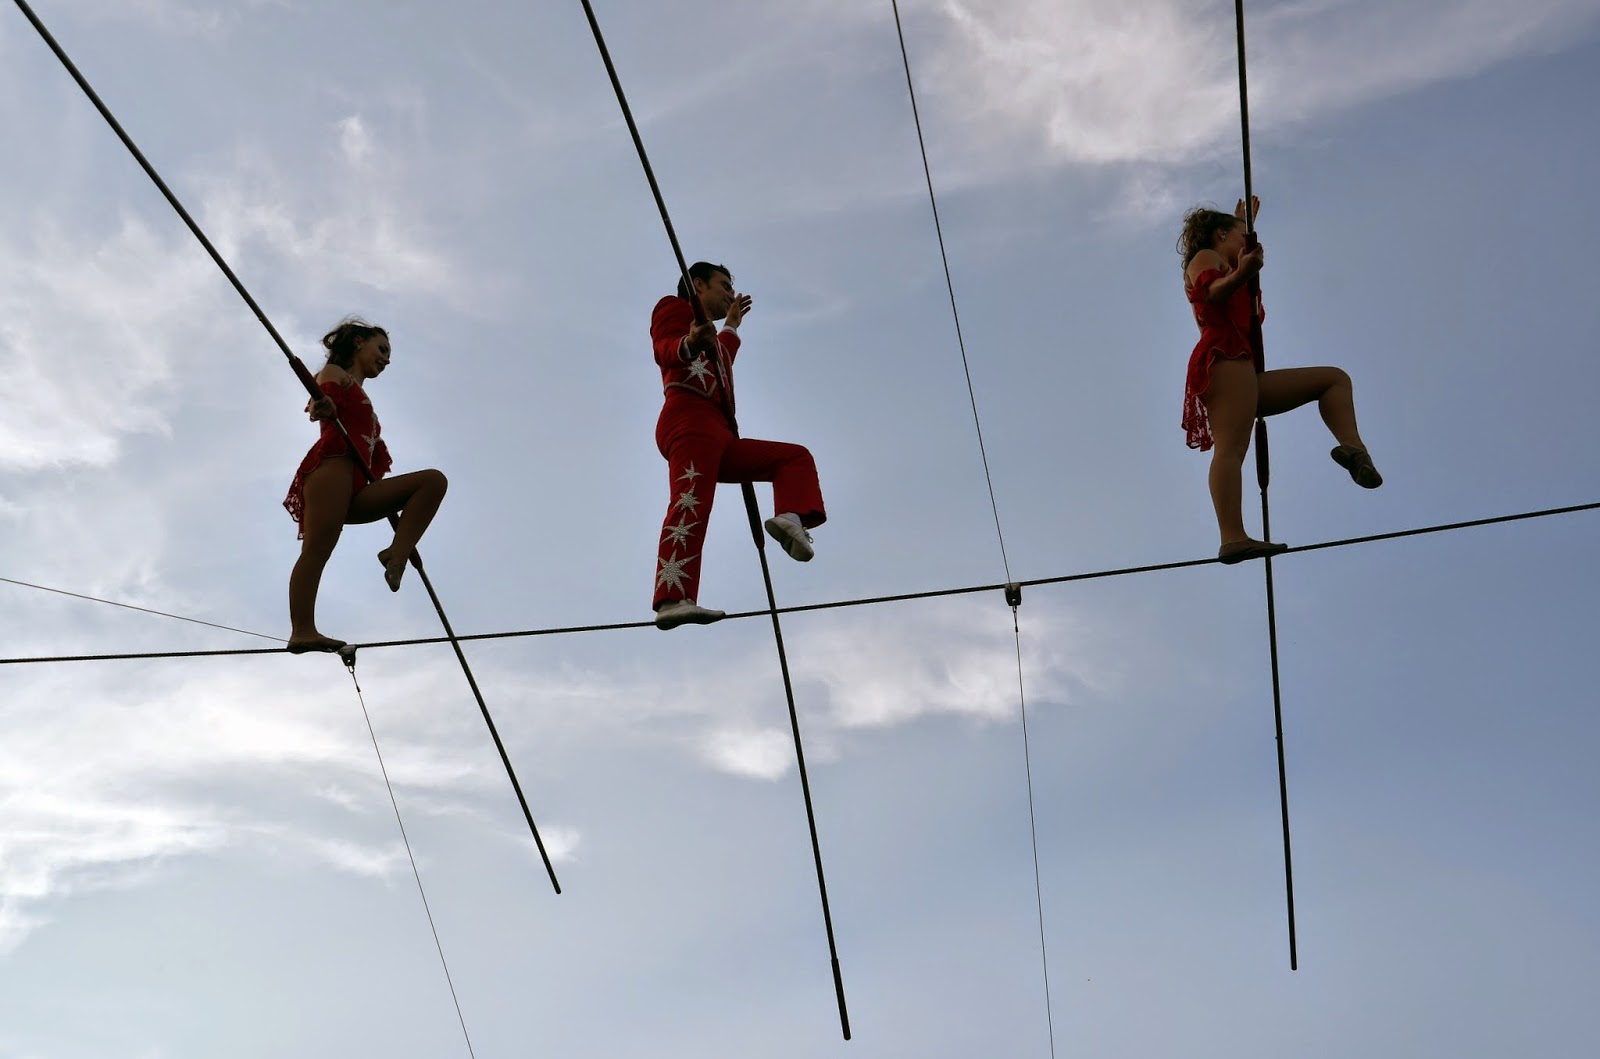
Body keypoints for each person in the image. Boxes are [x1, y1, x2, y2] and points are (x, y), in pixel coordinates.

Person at [1179, 199, 1382, 564]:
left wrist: (1241, 225)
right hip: (1225, 359)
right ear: (1220, 235)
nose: (1249, 242)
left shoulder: (1230, 261)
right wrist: (1242, 272)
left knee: (1333, 380)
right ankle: (1232, 537)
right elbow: (1211, 293)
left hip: (1245, 372)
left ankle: (1354, 450)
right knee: (1231, 450)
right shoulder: (1206, 257)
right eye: (1240, 235)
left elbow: (1234, 275)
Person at [650, 262, 826, 630]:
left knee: (794, 458)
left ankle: (789, 518)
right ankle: (671, 598)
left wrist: (730, 326)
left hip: (721, 434)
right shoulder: (674, 308)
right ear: (698, 284)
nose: (731, 293)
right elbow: (665, 347)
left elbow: (722, 358)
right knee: (691, 501)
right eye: (724, 285)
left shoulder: (711, 335)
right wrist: (688, 343)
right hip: (691, 421)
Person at [283, 318, 448, 652]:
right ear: (359, 342)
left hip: (356, 487)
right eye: (382, 349)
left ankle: (396, 553)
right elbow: (322, 399)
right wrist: (325, 405)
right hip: (332, 469)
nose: (386, 360)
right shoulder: (334, 374)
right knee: (317, 550)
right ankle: (302, 630)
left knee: (432, 482)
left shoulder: (360, 392)